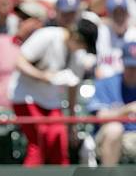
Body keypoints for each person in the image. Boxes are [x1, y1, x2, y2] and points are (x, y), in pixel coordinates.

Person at [10, 18, 98, 166]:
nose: (82, 49)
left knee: (59, 143)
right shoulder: (48, 35)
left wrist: (72, 123)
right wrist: (43, 76)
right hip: (26, 96)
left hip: (50, 100)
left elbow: (72, 86)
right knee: (38, 143)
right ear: (76, 37)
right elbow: (19, 62)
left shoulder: (77, 55)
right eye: (83, 44)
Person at [88, 41, 136, 165]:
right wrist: (127, 109)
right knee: (115, 129)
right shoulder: (106, 83)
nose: (133, 71)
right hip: (109, 138)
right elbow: (100, 117)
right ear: (123, 63)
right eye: (130, 67)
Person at [96, 0, 136, 79]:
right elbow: (99, 69)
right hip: (106, 82)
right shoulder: (103, 32)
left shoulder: (133, 34)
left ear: (127, 15)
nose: (120, 18)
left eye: (122, 13)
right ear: (109, 16)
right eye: (116, 14)